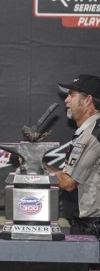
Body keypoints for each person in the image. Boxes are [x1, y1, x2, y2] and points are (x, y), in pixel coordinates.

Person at [46, 74, 100, 237]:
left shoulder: (93, 134)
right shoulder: (89, 131)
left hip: (93, 228)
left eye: (72, 95)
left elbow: (68, 182)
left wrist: (34, 164)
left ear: (87, 100)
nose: (66, 100)